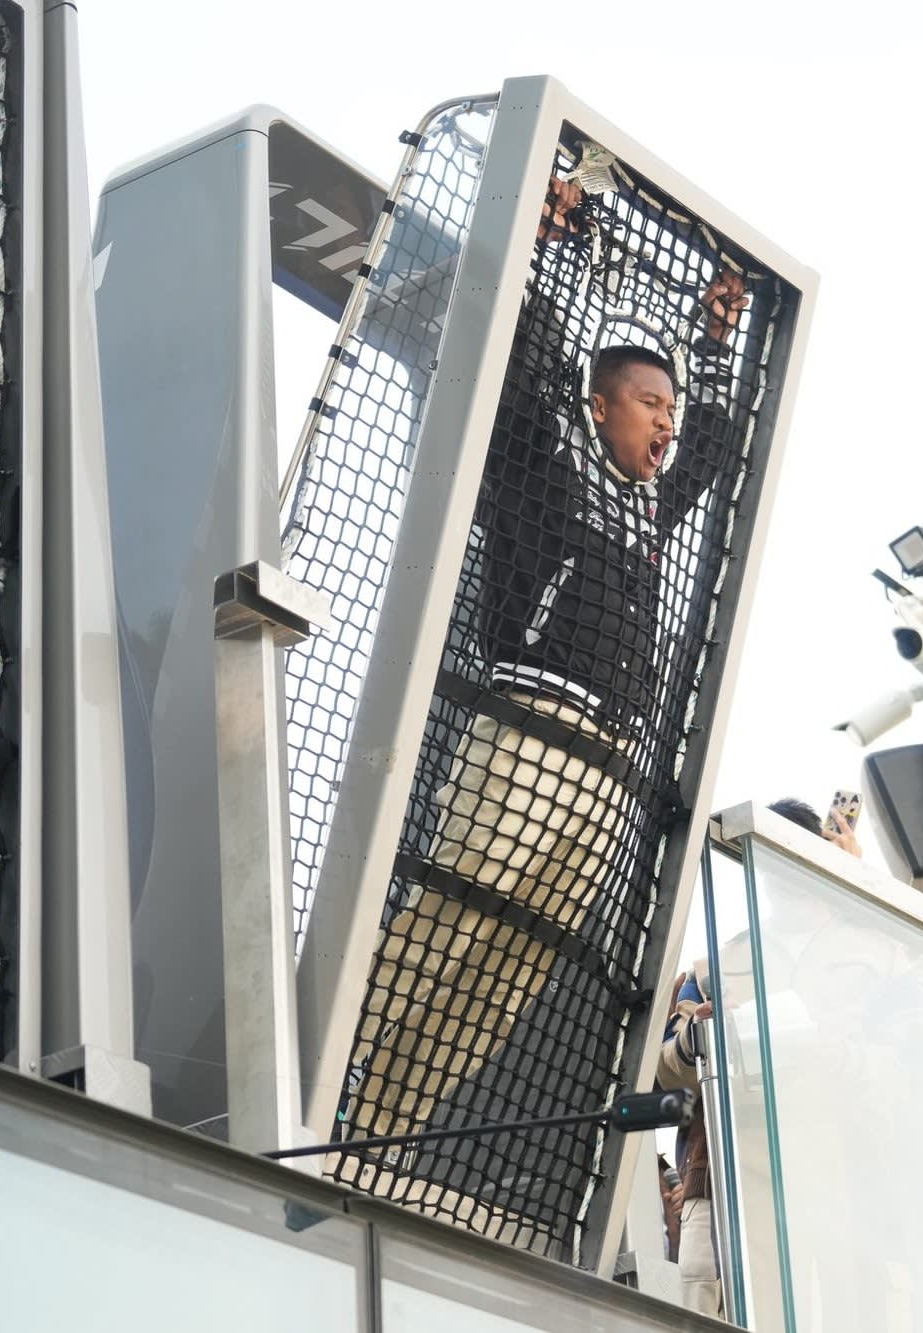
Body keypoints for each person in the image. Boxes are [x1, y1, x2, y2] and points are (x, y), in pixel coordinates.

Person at [349, 173, 753, 1148]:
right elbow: (523, 352)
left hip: (608, 764)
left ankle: (373, 1132)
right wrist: (537, 236)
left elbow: (714, 442)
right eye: (648, 403)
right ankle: (315, 1056)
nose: (665, 422)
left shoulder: (648, 505)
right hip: (532, 730)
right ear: (599, 406)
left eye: (669, 406)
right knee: (450, 915)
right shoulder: (546, 454)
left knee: (514, 963)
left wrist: (712, 338)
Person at [658, 796, 854, 1315]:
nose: (778, 873)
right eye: (765, 855)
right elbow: (667, 1073)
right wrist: (700, 1037)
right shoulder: (715, 966)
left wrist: (856, 895)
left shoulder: (869, 947)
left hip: (847, 1180)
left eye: (793, 851)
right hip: (730, 1180)